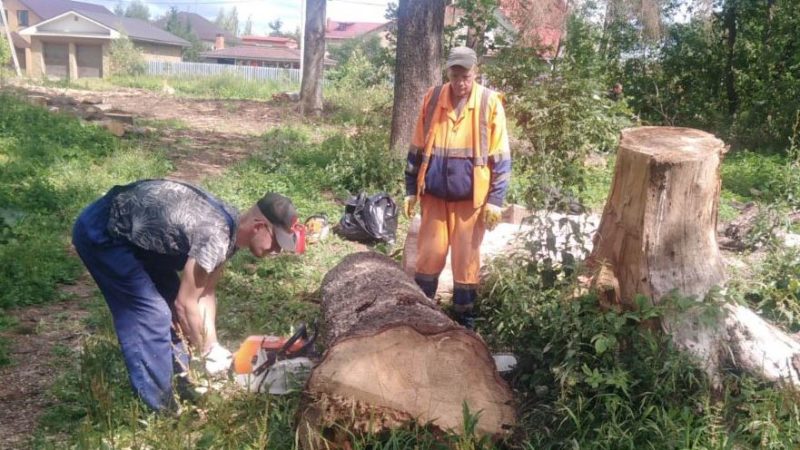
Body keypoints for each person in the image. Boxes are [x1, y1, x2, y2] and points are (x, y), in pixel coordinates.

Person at [71, 179, 305, 411]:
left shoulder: (230, 231)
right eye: (276, 243)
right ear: (259, 226)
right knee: (152, 315)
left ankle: (181, 386)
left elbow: (205, 294)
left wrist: (212, 346)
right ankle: (159, 411)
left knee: (175, 312)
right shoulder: (216, 234)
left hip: (138, 239)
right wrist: (207, 350)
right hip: (104, 232)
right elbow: (186, 303)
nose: (277, 251)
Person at [403, 46, 511, 329]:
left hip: (470, 199)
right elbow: (417, 145)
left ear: (476, 73)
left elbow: (501, 157)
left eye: (466, 76)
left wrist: (495, 200)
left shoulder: (489, 103)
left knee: (465, 261)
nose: (461, 83)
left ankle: (464, 319)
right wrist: (410, 189)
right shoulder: (433, 98)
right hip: (434, 195)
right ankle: (422, 313)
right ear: (448, 73)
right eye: (455, 76)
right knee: (428, 256)